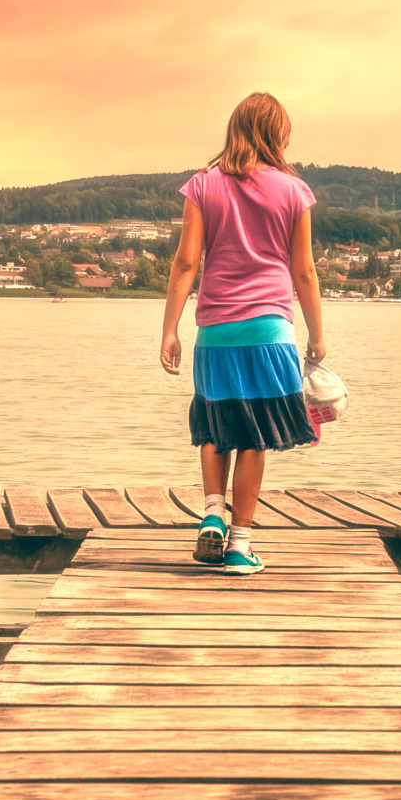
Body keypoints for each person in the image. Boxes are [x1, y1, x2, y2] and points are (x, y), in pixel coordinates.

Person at [159, 92, 327, 573]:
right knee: (255, 436)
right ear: (277, 135)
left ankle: (212, 514)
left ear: (235, 129)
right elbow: (305, 271)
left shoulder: (203, 185)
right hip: (270, 330)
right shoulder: (295, 192)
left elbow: (187, 262)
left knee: (216, 425)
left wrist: (170, 331)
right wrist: (316, 333)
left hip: (215, 331)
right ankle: (239, 545)